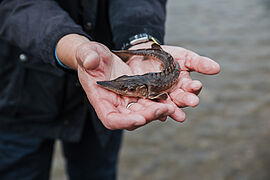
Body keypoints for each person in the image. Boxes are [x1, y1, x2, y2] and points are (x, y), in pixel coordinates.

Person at [0, 0, 220, 179]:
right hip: (21, 92)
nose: (123, 89)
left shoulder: (149, 86)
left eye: (128, 88)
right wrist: (71, 46)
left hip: (100, 99)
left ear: (143, 90)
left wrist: (138, 39)